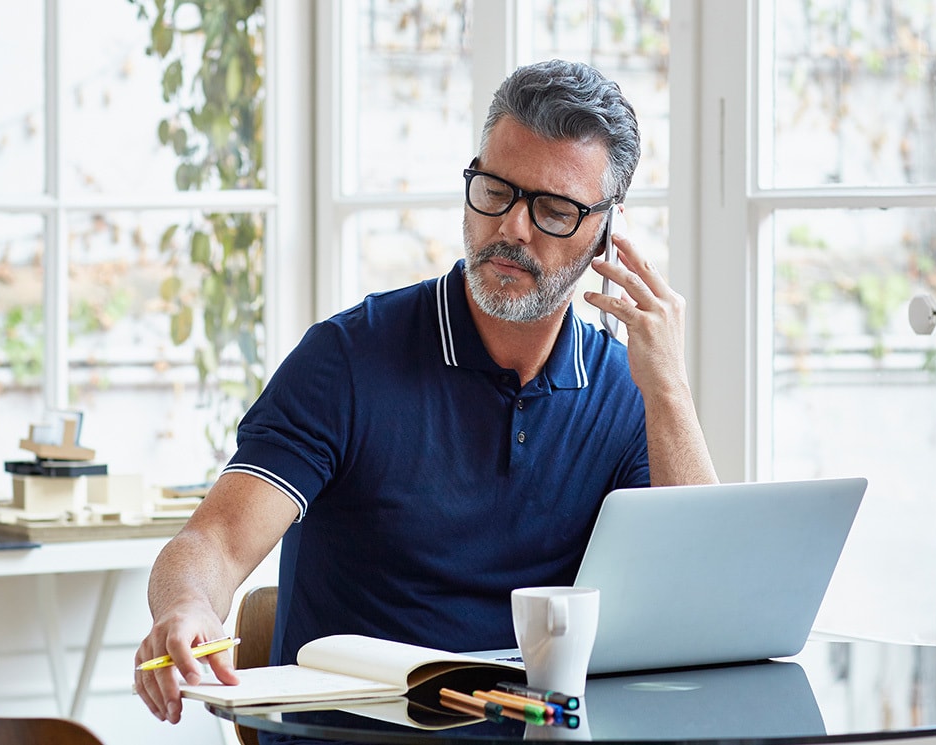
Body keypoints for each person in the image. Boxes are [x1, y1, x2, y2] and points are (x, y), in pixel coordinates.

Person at [135, 58, 718, 725]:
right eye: (494, 190)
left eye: (554, 210)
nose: (512, 228)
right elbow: (214, 541)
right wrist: (186, 606)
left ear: (608, 232)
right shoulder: (347, 360)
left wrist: (669, 389)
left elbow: (698, 600)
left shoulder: (627, 389)